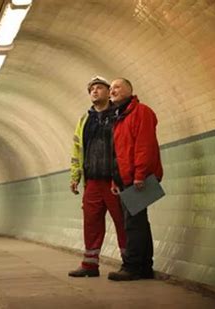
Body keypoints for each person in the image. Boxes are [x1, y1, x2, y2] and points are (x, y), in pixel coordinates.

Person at [69, 76, 127, 277]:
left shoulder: (118, 115)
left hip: (114, 180)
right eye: (91, 89)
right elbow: (77, 149)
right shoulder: (84, 120)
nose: (94, 91)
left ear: (108, 92)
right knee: (91, 222)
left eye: (99, 88)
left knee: (122, 221)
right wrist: (75, 176)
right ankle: (90, 265)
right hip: (92, 180)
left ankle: (128, 262)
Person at [107, 78, 163, 281]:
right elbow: (117, 152)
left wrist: (140, 174)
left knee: (133, 224)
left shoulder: (141, 112)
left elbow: (144, 145)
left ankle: (131, 267)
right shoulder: (119, 117)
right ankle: (144, 267)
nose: (112, 90)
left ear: (130, 90)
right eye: (111, 88)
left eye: (117, 87)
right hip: (125, 178)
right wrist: (116, 180)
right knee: (139, 222)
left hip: (138, 177)